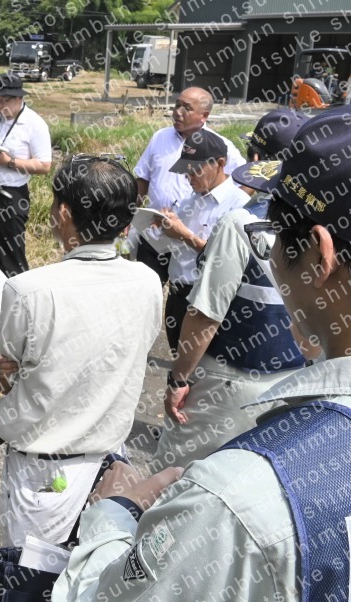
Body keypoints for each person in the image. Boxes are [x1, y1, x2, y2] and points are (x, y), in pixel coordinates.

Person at [53, 105, 351, 602]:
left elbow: (205, 314)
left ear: (320, 257)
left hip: (226, 381)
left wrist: (112, 516)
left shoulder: (237, 496)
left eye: (276, 240)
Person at [0, 155, 161, 559]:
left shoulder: (28, 290)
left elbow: (5, 375)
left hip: (45, 471)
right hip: (113, 461)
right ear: (126, 222)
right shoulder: (148, 281)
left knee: (31, 574)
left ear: (63, 213)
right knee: (95, 568)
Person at [153, 109, 310, 470]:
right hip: (293, 380)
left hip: (230, 380)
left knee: (175, 473)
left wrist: (178, 379)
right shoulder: (321, 225)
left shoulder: (241, 221)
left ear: (255, 159)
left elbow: (205, 314)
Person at [133, 87, 244, 283]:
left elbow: (245, 179)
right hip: (156, 232)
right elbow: (143, 178)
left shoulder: (220, 146)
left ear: (204, 115)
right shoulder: (160, 137)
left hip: (192, 240)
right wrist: (130, 214)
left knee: (186, 284)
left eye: (186, 108)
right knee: (147, 286)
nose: (178, 112)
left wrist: (222, 210)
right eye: (177, 105)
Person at [156, 129, 249, 355]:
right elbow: (174, 246)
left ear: (220, 163)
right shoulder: (188, 200)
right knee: (178, 361)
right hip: (177, 295)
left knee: (202, 369)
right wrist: (164, 227)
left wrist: (185, 235)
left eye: (196, 170)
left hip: (207, 303)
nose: (189, 177)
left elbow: (229, 261)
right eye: (186, 171)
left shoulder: (239, 205)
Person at [0, 73, 52, 277]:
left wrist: (8, 162)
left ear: (19, 98)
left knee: (11, 260)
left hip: (11, 197)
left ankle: (16, 296)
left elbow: (44, 165)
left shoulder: (35, 124)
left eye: (4, 100)